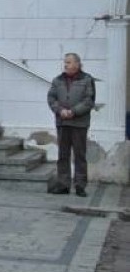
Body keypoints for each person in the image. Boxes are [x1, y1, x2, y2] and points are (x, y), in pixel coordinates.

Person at [47, 53, 95, 197]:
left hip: (79, 123)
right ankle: (63, 185)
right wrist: (60, 110)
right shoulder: (58, 80)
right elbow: (51, 98)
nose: (65, 65)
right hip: (62, 122)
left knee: (80, 155)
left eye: (68, 62)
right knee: (63, 155)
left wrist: (73, 112)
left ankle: (80, 186)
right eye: (65, 62)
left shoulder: (87, 79)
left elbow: (89, 100)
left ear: (77, 64)